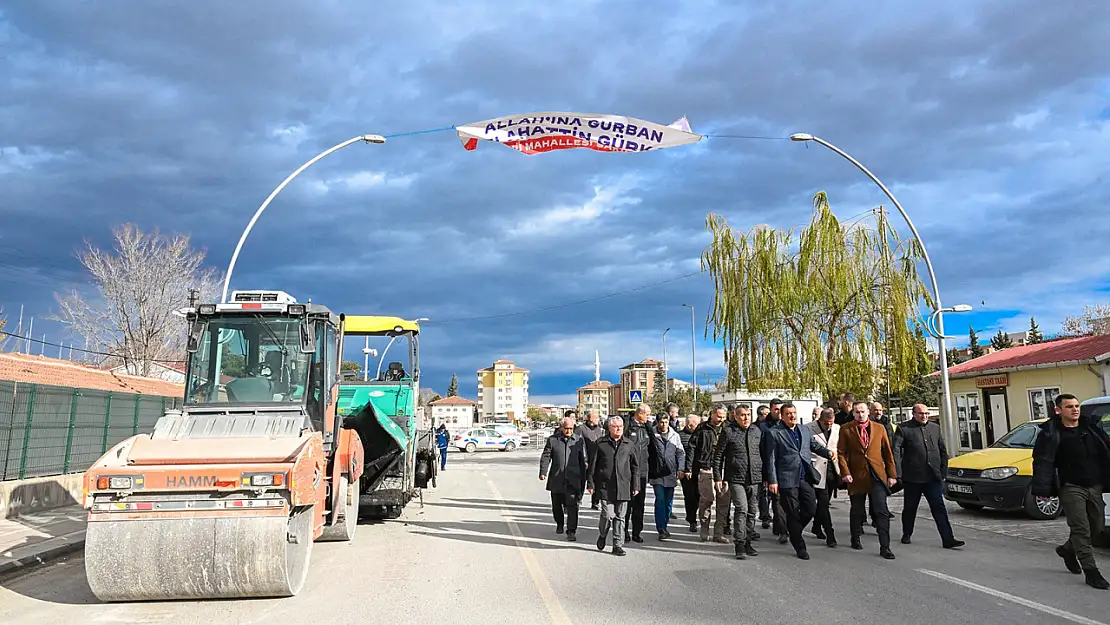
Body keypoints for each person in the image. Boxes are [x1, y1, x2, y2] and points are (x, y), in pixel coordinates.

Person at [1032, 393, 1110, 590]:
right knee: (1081, 528)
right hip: (1071, 486)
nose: (1075, 409)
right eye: (1069, 407)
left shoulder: (1091, 428)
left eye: (1076, 406)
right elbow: (1042, 462)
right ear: (1059, 410)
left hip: (1095, 485)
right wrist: (1043, 488)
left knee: (1097, 528)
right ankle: (1091, 572)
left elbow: (1107, 451)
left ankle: (1068, 550)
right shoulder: (1051, 433)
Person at [763, 402, 831, 560]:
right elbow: (770, 459)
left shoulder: (804, 429)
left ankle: (793, 529)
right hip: (786, 479)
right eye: (788, 414)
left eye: (794, 412)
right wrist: (772, 480)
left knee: (811, 509)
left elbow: (813, 445)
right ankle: (800, 546)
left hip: (805, 476)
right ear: (782, 415)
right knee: (793, 513)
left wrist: (828, 453)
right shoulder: (774, 433)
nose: (792, 416)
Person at [893, 403, 963, 549]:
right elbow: (896, 451)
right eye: (920, 413)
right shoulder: (904, 429)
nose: (924, 416)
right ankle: (907, 533)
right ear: (914, 414)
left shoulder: (935, 428)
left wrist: (944, 470)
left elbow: (942, 450)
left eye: (926, 413)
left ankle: (948, 539)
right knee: (910, 508)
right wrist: (898, 473)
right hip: (913, 478)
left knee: (939, 507)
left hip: (933, 477)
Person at [837, 400, 898, 559]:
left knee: (881, 510)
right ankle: (855, 537)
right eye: (857, 412)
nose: (860, 414)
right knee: (857, 509)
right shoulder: (846, 429)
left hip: (877, 474)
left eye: (863, 411)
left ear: (868, 412)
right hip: (856, 475)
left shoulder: (879, 428)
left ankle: (885, 546)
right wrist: (845, 472)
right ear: (853, 413)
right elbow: (841, 452)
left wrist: (892, 474)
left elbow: (887, 452)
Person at [712, 404, 762, 559]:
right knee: (742, 509)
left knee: (752, 511)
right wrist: (718, 477)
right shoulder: (729, 431)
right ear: (735, 416)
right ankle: (739, 544)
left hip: (754, 478)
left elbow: (763, 454)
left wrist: (766, 477)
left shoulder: (756, 431)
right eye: (742, 415)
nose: (746, 418)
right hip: (735, 478)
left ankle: (747, 541)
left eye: (748, 414)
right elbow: (718, 456)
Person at [588, 416, 640, 556]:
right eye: (615, 426)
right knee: (607, 515)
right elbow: (593, 466)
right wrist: (591, 483)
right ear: (609, 428)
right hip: (605, 485)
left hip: (623, 485)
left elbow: (635, 467)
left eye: (621, 426)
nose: (618, 429)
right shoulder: (600, 443)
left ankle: (617, 545)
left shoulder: (629, 444)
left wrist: (636, 485)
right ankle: (603, 534)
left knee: (620, 517)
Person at [539, 416, 588, 541]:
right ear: (561, 427)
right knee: (557, 505)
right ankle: (559, 523)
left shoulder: (578, 441)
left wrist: (585, 477)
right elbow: (546, 456)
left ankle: (571, 530)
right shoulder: (553, 440)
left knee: (573, 506)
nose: (569, 431)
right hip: (557, 478)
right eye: (566, 428)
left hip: (573, 478)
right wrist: (543, 472)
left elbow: (583, 460)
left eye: (571, 429)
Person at [686, 405, 730, 543]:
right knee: (707, 500)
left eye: (723, 417)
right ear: (712, 414)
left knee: (723, 503)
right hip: (706, 467)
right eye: (718, 416)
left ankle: (718, 533)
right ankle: (704, 528)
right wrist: (688, 467)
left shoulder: (728, 428)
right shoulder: (702, 428)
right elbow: (692, 447)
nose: (720, 419)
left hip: (724, 468)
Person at [806, 407, 840, 547]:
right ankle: (830, 534)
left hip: (832, 470)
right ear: (820, 419)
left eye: (831, 423)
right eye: (826, 423)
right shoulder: (808, 428)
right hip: (816, 470)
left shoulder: (838, 428)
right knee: (823, 503)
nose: (829, 426)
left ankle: (816, 526)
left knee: (823, 503)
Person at [649, 414, 685, 540]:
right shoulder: (652, 435)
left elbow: (680, 453)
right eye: (661, 422)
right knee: (660, 499)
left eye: (666, 422)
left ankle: (665, 523)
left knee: (668, 503)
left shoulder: (675, 436)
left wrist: (680, 468)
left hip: (670, 473)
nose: (664, 425)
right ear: (657, 422)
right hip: (657, 473)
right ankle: (661, 529)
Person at [623, 404, 653, 543]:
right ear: (640, 413)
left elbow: (653, 448)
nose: (648, 417)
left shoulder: (647, 428)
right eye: (647, 414)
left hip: (642, 471)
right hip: (628, 471)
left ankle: (636, 532)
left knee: (639, 505)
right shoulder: (628, 426)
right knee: (627, 505)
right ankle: (624, 531)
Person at [575, 409, 605, 510]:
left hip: (596, 460)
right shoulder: (581, 429)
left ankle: (595, 502)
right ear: (590, 419)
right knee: (581, 481)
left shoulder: (598, 429)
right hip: (585, 460)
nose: (598, 419)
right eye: (596, 417)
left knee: (596, 480)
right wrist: (584, 459)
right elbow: (579, 445)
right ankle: (578, 500)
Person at [678, 414, 701, 532]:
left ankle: (697, 516)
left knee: (699, 496)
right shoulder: (680, 436)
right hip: (685, 473)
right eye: (696, 424)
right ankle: (692, 520)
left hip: (699, 471)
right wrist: (682, 469)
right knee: (690, 496)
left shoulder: (700, 435)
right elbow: (678, 454)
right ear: (689, 425)